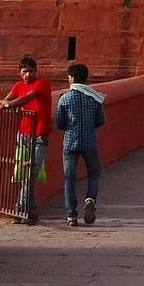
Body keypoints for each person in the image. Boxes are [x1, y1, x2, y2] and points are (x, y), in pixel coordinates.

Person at [0, 55, 52, 224]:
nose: (28, 75)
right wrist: (0, 106)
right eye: (25, 72)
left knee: (30, 174)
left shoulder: (42, 83)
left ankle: (19, 208)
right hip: (23, 135)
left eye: (31, 71)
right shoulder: (19, 85)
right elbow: (9, 97)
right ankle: (30, 212)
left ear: (36, 71)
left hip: (40, 135)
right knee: (24, 173)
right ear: (20, 73)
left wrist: (4, 107)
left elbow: (26, 98)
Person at [53, 62, 106, 227]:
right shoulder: (94, 98)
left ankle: (71, 215)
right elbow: (101, 120)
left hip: (70, 141)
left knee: (69, 178)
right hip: (89, 141)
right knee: (94, 173)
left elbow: (58, 122)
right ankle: (90, 199)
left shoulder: (65, 98)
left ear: (72, 78)